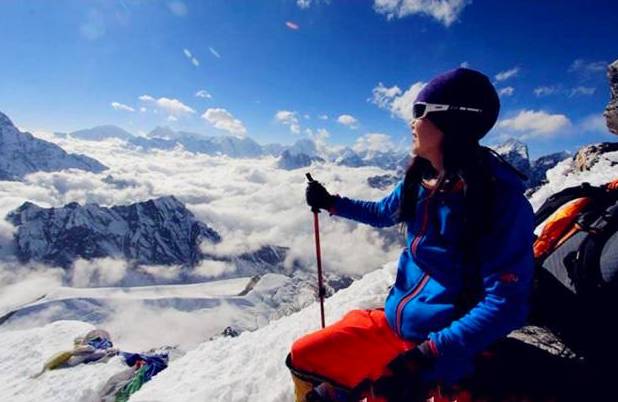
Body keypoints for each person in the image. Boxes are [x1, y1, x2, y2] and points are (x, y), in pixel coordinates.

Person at [286, 68, 535, 402]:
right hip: (395, 327)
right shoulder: (420, 181)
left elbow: (505, 304)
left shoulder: (499, 202)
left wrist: (427, 357)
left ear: (452, 122)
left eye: (420, 112)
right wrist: (331, 203)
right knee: (304, 355)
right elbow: (381, 212)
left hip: (446, 352)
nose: (411, 122)